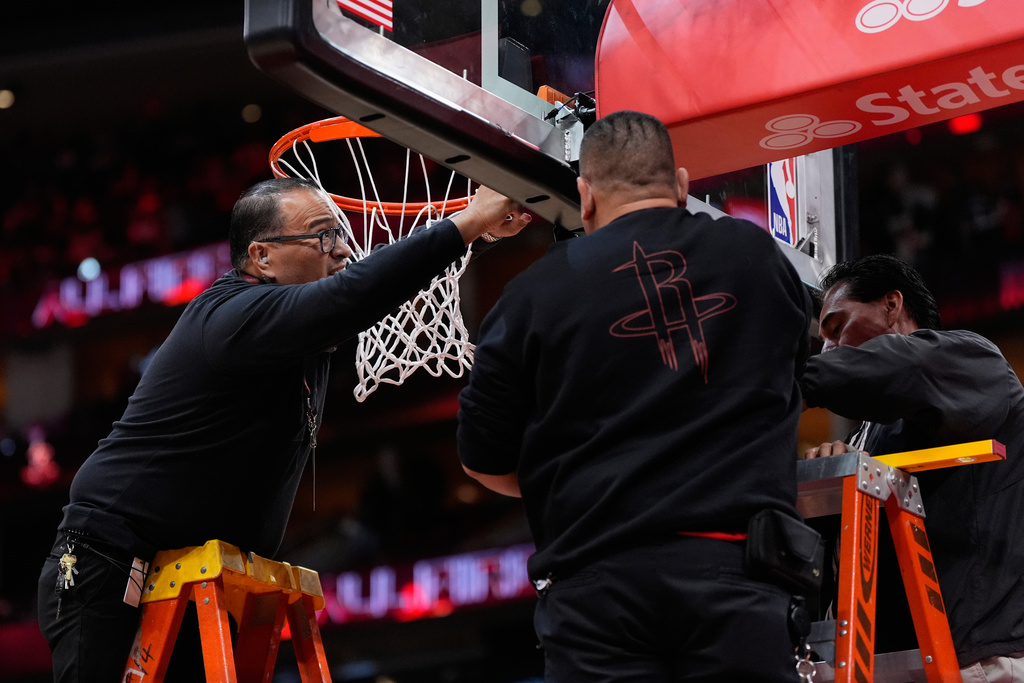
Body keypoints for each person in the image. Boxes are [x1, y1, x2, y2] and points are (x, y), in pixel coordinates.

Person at [36, 176, 531, 682]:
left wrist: (479, 236)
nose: (342, 250)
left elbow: (374, 283)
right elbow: (351, 296)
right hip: (109, 563)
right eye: (322, 236)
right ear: (262, 257)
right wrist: (465, 223)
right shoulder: (230, 315)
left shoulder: (301, 334)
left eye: (341, 235)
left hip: (190, 576)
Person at [456, 110, 814, 681]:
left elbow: (483, 461)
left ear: (585, 196)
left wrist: (576, 476)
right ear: (681, 185)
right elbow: (796, 374)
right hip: (736, 569)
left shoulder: (531, 295)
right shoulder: (757, 256)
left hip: (595, 588)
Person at [801, 254, 1024, 681]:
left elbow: (902, 366)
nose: (828, 348)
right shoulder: (866, 433)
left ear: (891, 305)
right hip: (887, 659)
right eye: (822, 339)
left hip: (971, 659)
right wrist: (827, 487)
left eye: (837, 326)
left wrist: (780, 380)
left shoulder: (973, 361)